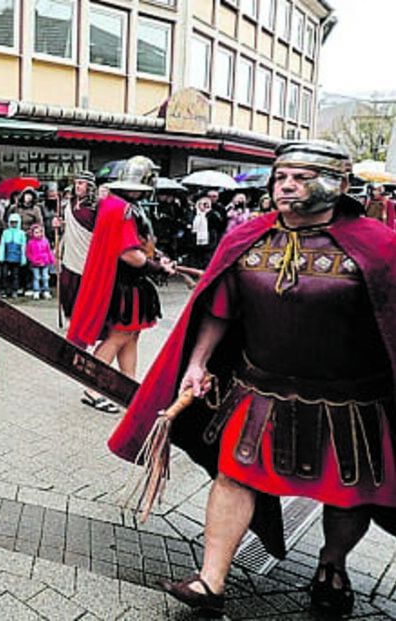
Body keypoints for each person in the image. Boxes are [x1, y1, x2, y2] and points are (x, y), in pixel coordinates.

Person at [109, 141, 396, 617]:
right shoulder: (250, 236)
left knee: (349, 494)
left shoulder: (380, 246)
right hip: (259, 391)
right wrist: (197, 363)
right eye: (281, 176)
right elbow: (220, 308)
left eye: (301, 177)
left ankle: (332, 564)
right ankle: (211, 580)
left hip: (349, 402)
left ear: (340, 185)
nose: (286, 185)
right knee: (233, 478)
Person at [67, 156, 174, 413]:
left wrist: (157, 257)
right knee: (119, 337)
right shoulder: (122, 209)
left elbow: (141, 245)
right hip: (124, 285)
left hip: (128, 284)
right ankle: (92, 387)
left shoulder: (121, 205)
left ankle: (127, 386)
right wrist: (158, 267)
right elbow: (129, 254)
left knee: (131, 336)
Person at [53, 172, 99, 319]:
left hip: (88, 251)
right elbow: (67, 227)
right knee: (67, 286)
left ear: (89, 186)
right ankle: (72, 318)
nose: (77, 186)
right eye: (76, 183)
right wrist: (59, 225)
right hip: (70, 253)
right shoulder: (69, 204)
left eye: (81, 183)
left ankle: (85, 320)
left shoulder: (95, 207)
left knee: (84, 290)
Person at [186, 196, 220, 269]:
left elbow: (217, 224)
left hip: (208, 239)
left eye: (207, 204)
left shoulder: (212, 214)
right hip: (194, 239)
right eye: (204, 204)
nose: (205, 206)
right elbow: (188, 221)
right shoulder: (193, 213)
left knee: (207, 258)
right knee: (194, 257)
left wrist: (208, 213)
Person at [0, 213, 26, 298]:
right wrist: (1, 256)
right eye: (12, 222)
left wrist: (23, 257)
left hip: (16, 257)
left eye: (15, 222)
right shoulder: (6, 233)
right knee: (4, 274)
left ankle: (15, 290)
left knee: (15, 275)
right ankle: (3, 290)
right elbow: (2, 245)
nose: (13, 224)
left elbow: (23, 246)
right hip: (7, 257)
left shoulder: (21, 233)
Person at [25, 223, 55, 300]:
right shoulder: (31, 242)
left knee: (45, 277)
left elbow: (49, 251)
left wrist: (52, 260)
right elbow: (28, 253)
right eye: (36, 232)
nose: (38, 234)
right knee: (36, 277)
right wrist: (32, 259)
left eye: (40, 232)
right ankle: (36, 291)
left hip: (45, 262)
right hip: (35, 263)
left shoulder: (45, 241)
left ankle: (46, 290)